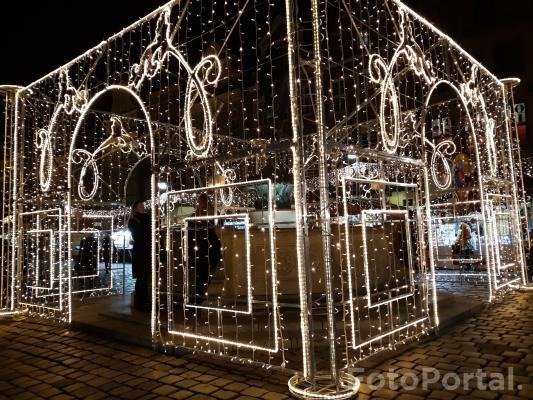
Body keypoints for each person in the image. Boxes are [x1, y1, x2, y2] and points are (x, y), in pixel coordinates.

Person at [187, 193, 222, 307]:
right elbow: (220, 225)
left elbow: (189, 231)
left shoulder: (194, 215)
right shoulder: (213, 214)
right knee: (209, 274)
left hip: (198, 249)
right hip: (210, 248)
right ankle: (203, 297)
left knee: (199, 275)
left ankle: (197, 297)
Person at [128, 200, 151, 312]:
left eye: (143, 205)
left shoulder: (147, 217)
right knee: (141, 278)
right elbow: (139, 235)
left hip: (147, 251)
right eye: (140, 206)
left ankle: (145, 301)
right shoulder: (133, 220)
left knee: (146, 277)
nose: (143, 207)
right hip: (140, 252)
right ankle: (141, 302)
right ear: (135, 208)